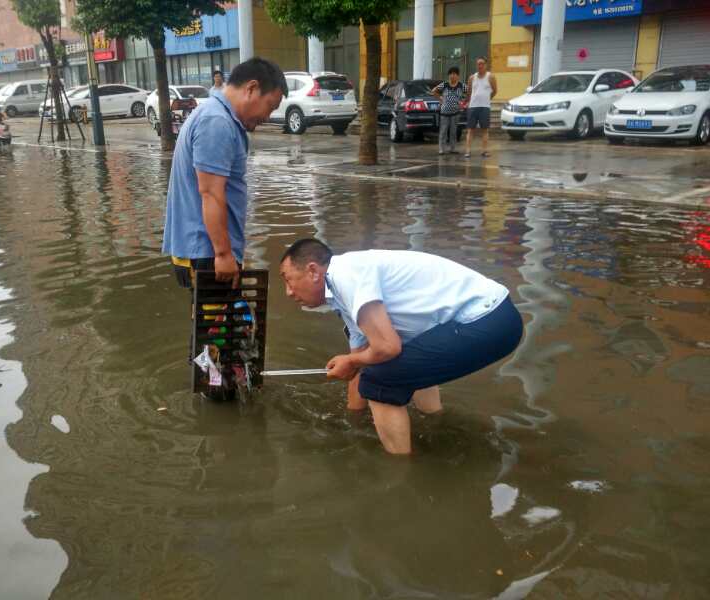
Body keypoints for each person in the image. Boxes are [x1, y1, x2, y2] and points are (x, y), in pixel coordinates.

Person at [279, 239, 523, 455]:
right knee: (402, 364)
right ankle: (435, 423)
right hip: (499, 317)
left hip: (485, 320)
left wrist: (352, 363)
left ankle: (400, 471)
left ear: (312, 271)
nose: (288, 293)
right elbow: (361, 361)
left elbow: (386, 348)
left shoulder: (345, 275)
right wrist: (352, 420)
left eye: (289, 280)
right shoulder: (344, 295)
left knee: (378, 381)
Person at [162, 57, 287, 290]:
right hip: (207, 253)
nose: (268, 116)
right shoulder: (216, 122)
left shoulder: (216, 115)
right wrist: (223, 254)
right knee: (219, 324)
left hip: (207, 251)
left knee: (219, 324)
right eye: (270, 106)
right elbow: (210, 193)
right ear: (251, 88)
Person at [463, 57, 497, 159]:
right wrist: (466, 102)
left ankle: (484, 150)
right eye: (478, 64)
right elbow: (469, 93)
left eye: (482, 63)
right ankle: (468, 151)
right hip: (473, 106)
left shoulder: (490, 77)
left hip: (485, 107)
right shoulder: (472, 78)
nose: (480, 66)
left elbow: (495, 91)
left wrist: (487, 99)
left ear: (486, 65)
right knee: (470, 130)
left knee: (485, 130)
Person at [432, 67, 466, 155]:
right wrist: (440, 98)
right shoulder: (444, 85)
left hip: (456, 113)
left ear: (458, 76)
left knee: (453, 131)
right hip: (444, 113)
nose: (452, 76)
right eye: (451, 74)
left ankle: (452, 148)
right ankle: (441, 149)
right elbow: (433, 91)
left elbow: (471, 91)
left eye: (454, 74)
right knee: (443, 131)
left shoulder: (461, 85)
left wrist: (465, 101)